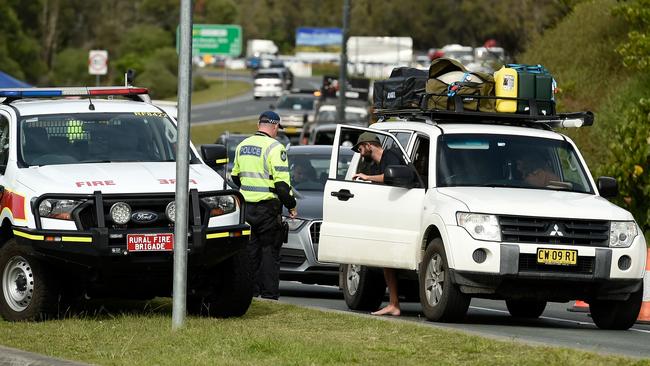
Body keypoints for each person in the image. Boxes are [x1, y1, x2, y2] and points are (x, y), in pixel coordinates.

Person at [231, 111, 298, 300]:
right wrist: (292, 205)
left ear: (259, 124)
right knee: (270, 252)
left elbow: (235, 177)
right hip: (267, 208)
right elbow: (282, 187)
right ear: (275, 126)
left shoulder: (242, 145)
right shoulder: (276, 148)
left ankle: (249, 293)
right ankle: (269, 295)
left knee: (249, 252)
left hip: (245, 208)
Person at [351, 132, 406, 316]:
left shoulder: (390, 155)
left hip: (402, 216)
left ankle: (394, 303)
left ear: (368, 145)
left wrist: (366, 178)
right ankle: (393, 304)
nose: (360, 154)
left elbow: (391, 177)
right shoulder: (376, 165)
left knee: (388, 261)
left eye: (360, 149)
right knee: (386, 262)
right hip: (391, 216)